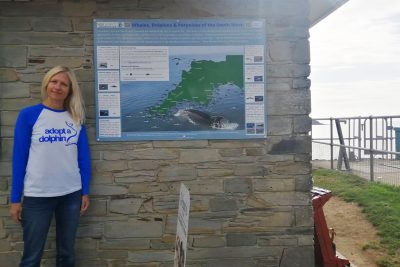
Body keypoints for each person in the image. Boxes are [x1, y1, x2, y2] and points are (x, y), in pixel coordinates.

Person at [9, 66, 91, 267]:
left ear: (70, 90)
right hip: (37, 196)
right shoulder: (29, 115)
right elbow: (19, 158)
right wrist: (15, 199)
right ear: (46, 83)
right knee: (31, 257)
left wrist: (85, 191)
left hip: (71, 195)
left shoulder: (76, 118)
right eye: (54, 81)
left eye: (64, 84)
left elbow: (84, 158)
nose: (58, 87)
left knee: (66, 254)